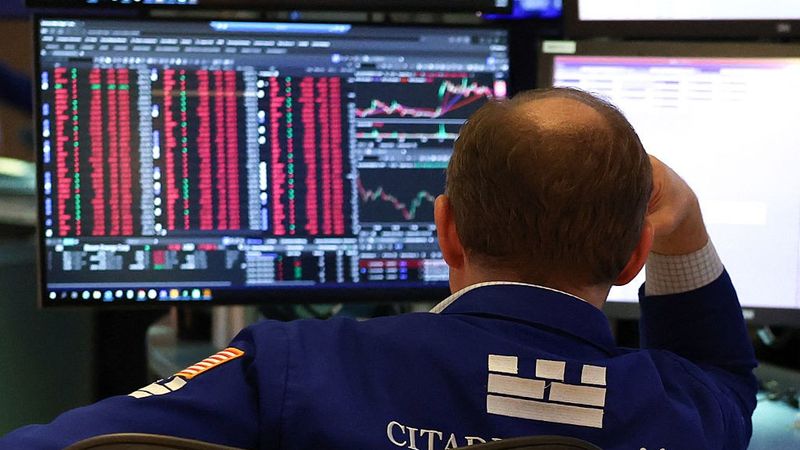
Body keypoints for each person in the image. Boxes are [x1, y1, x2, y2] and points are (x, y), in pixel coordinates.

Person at [0, 88, 757, 450]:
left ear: (446, 230)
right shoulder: (683, 412)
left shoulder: (299, 369)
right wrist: (684, 226)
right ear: (634, 258)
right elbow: (726, 376)